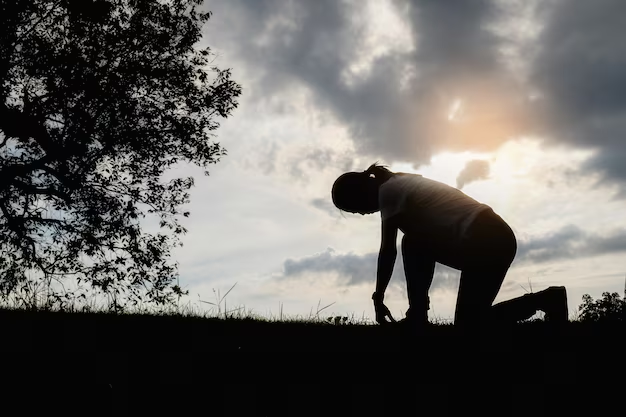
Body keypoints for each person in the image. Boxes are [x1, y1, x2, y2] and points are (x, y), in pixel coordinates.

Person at [331, 162, 568, 329]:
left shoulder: (389, 191)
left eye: (355, 208)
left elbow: (387, 251)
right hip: (489, 238)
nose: (362, 214)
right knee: (469, 323)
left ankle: (417, 317)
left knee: (411, 241)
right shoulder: (400, 182)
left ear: (360, 192)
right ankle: (547, 300)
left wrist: (378, 297)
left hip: (486, 237)